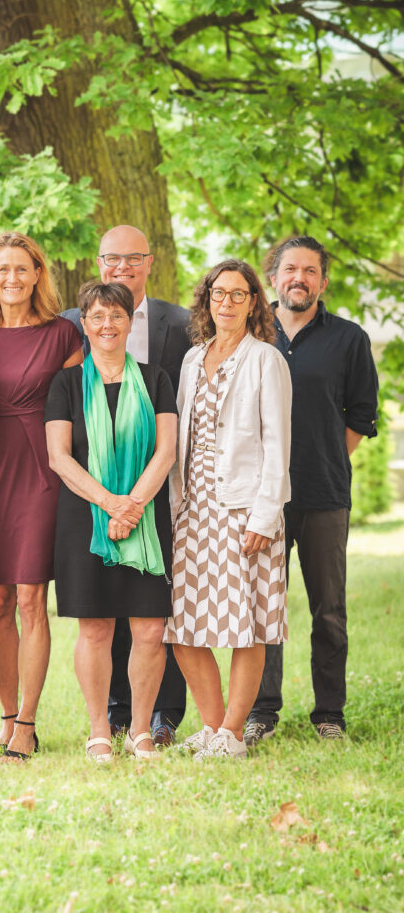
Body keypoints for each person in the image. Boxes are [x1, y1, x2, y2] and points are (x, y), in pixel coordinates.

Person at [245, 236, 379, 745]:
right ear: (273, 277)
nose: (299, 277)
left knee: (329, 610)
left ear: (322, 281)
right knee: (263, 609)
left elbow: (362, 416)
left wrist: (323, 457)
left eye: (310, 271)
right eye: (290, 269)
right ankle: (261, 711)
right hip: (261, 502)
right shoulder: (251, 336)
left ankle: (329, 714)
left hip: (324, 496)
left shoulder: (349, 338)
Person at [62, 225, 191, 745]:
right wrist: (110, 501)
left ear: (149, 262)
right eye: (111, 259)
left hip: (159, 491)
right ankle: (113, 715)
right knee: (100, 617)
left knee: (154, 619)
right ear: (98, 264)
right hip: (92, 498)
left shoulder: (182, 324)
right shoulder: (70, 328)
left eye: (132, 258)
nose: (121, 268)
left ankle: (163, 718)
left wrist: (136, 502)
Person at [164, 260, 292, 759]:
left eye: (240, 295)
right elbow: (181, 442)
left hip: (245, 511)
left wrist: (265, 516)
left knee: (249, 625)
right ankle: (216, 728)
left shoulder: (266, 359)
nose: (228, 303)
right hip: (193, 512)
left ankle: (234, 734)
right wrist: (176, 506)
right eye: (220, 293)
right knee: (184, 628)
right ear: (207, 299)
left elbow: (278, 445)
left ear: (254, 303)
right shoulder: (194, 359)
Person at [0, 232, 83, 761]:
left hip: (41, 467)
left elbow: (85, 412)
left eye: (22, 269)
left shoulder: (64, 335)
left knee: (32, 597)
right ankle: (7, 714)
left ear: (38, 274)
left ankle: (29, 723)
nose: (11, 278)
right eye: (2, 269)